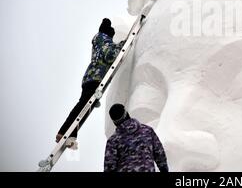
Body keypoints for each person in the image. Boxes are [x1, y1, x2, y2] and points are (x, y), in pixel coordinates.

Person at [56, 18, 125, 149]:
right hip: (95, 77)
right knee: (83, 105)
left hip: (91, 76)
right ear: (108, 32)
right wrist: (121, 46)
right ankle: (63, 132)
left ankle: (70, 135)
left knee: (84, 107)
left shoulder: (99, 40)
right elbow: (109, 55)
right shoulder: (103, 39)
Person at [104, 104, 169, 172]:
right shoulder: (147, 130)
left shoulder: (113, 141)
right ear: (126, 113)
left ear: (114, 122)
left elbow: (109, 167)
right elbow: (160, 155)